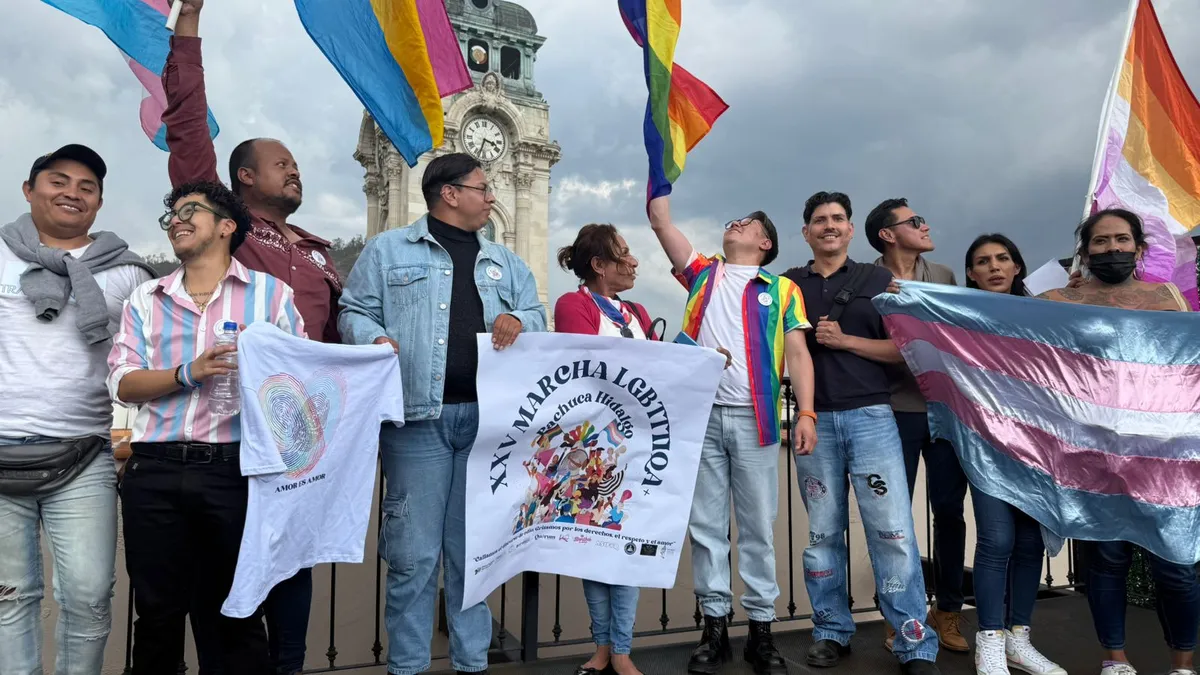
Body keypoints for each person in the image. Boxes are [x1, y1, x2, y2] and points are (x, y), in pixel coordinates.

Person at [162, 3, 343, 668]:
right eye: (281, 163)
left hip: (304, 435)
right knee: (232, 570)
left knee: (294, 563)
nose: (294, 171)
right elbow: (186, 134)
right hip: (235, 434)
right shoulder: (229, 229)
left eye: (297, 164)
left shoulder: (322, 254)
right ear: (243, 179)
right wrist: (187, 34)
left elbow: (341, 338)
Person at [339, 152, 546, 675]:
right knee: (412, 559)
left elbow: (538, 317)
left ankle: (471, 666)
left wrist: (520, 319)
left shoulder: (508, 263)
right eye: (482, 187)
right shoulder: (387, 252)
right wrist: (373, 337)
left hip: (486, 426)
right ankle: (407, 668)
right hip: (417, 423)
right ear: (449, 193)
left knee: (473, 559)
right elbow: (354, 311)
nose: (492, 196)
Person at [107, 180, 305, 674]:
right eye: (170, 215)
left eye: (189, 210)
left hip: (235, 473)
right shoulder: (146, 298)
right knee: (155, 614)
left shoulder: (271, 296)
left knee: (236, 614)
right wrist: (187, 373)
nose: (175, 220)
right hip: (154, 471)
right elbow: (123, 383)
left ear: (226, 225)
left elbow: (301, 380)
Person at [0, 145, 154, 674]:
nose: (72, 193)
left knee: (89, 596)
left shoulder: (129, 275)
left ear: (99, 202)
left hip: (86, 453)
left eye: (86, 187)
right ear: (29, 189)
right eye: (58, 180)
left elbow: (154, 354)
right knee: (8, 598)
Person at [648, 193, 817, 675]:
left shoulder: (782, 289)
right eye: (733, 220)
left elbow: (799, 354)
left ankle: (760, 631)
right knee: (706, 526)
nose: (736, 223)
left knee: (758, 527)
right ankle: (714, 627)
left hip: (756, 418)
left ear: (765, 243)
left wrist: (807, 412)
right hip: (700, 414)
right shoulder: (702, 272)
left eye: (748, 223)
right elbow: (660, 222)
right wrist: (661, 165)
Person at [783, 191, 940, 675]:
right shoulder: (788, 283)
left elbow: (908, 349)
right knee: (823, 534)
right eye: (819, 220)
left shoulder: (879, 280)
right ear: (806, 232)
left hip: (873, 416)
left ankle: (914, 641)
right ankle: (831, 630)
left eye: (837, 219)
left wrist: (848, 341)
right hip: (814, 422)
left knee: (892, 531)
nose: (829, 226)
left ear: (851, 230)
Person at [1040, 209, 1195, 675]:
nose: (1112, 249)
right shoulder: (1057, 301)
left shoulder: (1169, 297)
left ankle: (1183, 665)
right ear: (1084, 251)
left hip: (1166, 455)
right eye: (1101, 242)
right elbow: (1005, 330)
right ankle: (1115, 660)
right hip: (1093, 450)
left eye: (1122, 240)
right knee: (1106, 561)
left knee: (1179, 566)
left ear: (1140, 248)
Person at [957, 234, 1065, 675]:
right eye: (983, 262)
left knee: (1028, 542)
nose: (994, 267)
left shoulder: (1043, 312)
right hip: (986, 445)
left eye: (1003, 259)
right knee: (997, 539)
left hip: (1038, 446)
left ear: (1018, 266)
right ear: (971, 273)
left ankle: (1019, 640)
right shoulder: (958, 316)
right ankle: (990, 641)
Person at [865, 198, 968, 654]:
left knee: (949, 512)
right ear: (888, 234)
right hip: (893, 411)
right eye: (914, 221)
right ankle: (899, 615)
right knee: (894, 520)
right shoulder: (867, 281)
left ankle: (947, 613)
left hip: (946, 411)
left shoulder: (944, 276)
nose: (925, 226)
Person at [554, 223, 654, 675]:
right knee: (594, 546)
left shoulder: (639, 311)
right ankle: (604, 647)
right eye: (625, 254)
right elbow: (588, 367)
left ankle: (620, 649)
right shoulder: (572, 305)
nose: (634, 262)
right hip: (593, 448)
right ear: (599, 265)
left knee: (626, 547)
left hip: (637, 447)